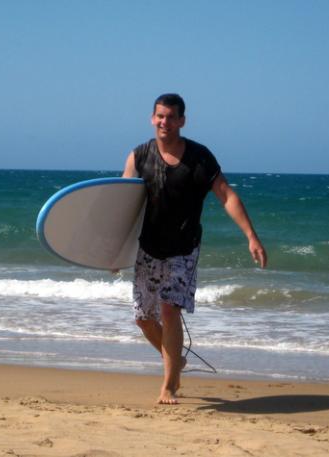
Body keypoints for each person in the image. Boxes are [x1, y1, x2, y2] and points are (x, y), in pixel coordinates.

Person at [122, 93, 267, 404]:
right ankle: (177, 360)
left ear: (182, 121)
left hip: (183, 248)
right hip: (148, 247)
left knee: (169, 310)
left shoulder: (199, 158)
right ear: (152, 118)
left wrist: (251, 236)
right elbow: (122, 206)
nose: (165, 122)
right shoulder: (139, 156)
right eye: (160, 116)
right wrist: (113, 251)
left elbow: (226, 195)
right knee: (143, 319)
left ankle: (169, 386)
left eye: (171, 117)